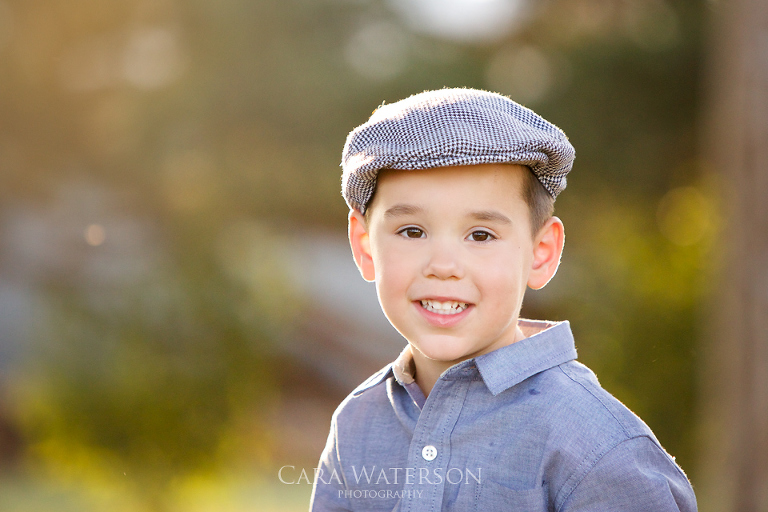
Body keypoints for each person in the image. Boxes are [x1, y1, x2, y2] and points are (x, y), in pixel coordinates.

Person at [309, 88, 697, 511]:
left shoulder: (596, 449)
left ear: (541, 253)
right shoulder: (357, 425)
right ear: (365, 247)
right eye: (412, 231)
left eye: (481, 235)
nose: (443, 265)